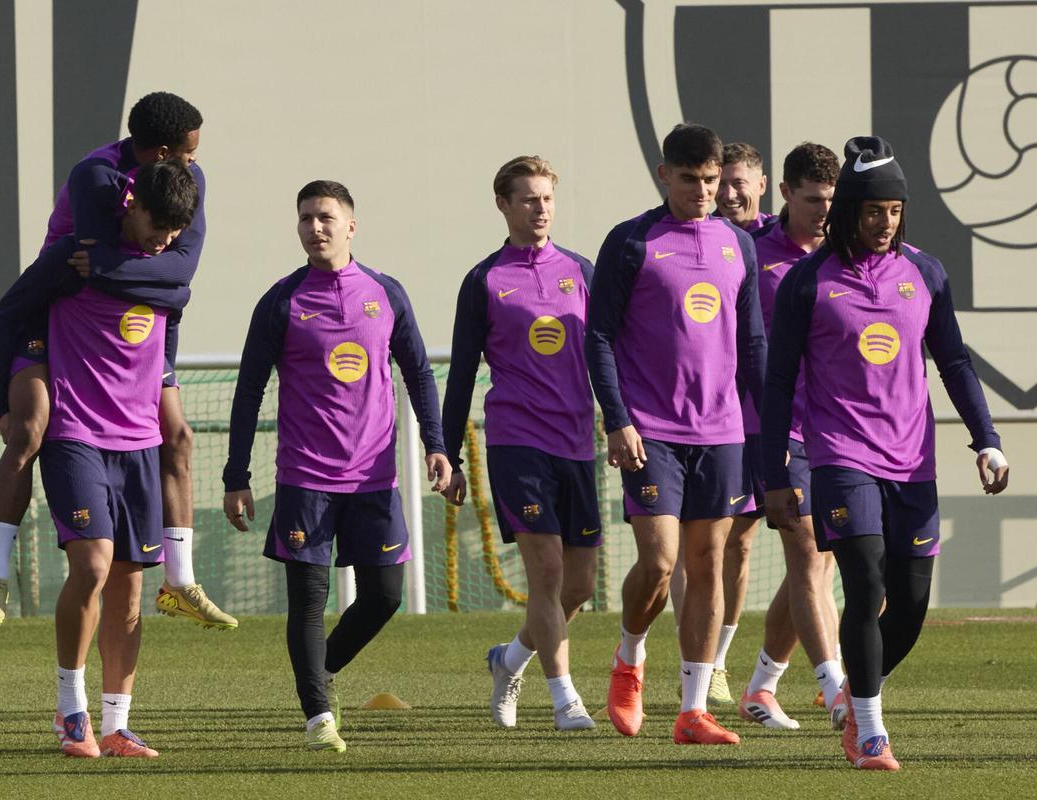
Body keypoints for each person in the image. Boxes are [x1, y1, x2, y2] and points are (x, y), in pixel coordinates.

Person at [762, 136, 1009, 770]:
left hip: (912, 460)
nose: (885, 223)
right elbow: (779, 380)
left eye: (895, 211)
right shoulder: (807, 282)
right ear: (848, 210)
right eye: (874, 211)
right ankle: (868, 729)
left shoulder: (924, 273)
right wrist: (772, 474)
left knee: (912, 599)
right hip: (841, 456)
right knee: (866, 580)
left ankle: (857, 691)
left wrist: (987, 439)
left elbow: (953, 360)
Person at [0, 91, 236, 631]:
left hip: (137, 324)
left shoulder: (187, 184)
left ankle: (181, 579)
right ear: (159, 153)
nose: (195, 163)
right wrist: (0, 400)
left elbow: (174, 274)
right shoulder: (96, 176)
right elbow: (91, 263)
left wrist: (166, 293)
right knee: (28, 432)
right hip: (58, 318)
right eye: (186, 153)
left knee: (178, 434)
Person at [223, 181, 451, 753]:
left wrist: (437, 443)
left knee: (385, 596)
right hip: (305, 478)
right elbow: (249, 390)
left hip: (375, 477)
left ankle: (317, 676)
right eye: (305, 219)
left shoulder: (385, 292)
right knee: (308, 600)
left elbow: (420, 373)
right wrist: (237, 475)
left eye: (326, 217)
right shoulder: (281, 300)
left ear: (351, 226)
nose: (315, 227)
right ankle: (319, 715)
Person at [586, 124, 766, 744]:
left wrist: (768, 426)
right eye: (690, 180)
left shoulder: (737, 246)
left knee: (708, 562)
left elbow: (753, 343)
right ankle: (629, 658)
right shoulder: (632, 242)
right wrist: (617, 418)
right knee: (660, 563)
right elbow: (599, 336)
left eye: (712, 181)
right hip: (650, 431)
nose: (703, 191)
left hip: (723, 431)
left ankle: (693, 710)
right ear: (664, 175)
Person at [37, 160, 199, 757]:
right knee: (93, 566)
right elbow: (17, 309)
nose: (162, 241)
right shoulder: (75, 261)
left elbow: (167, 345)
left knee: (131, 592)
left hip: (141, 445)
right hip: (76, 433)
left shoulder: (168, 280)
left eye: (173, 234)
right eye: (155, 226)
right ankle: (70, 710)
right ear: (129, 205)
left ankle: (116, 723)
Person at [440, 156, 599, 732]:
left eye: (547, 199)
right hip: (516, 443)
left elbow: (606, 355)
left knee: (579, 585)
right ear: (503, 205)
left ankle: (509, 660)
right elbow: (460, 375)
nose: (540, 209)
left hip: (578, 444)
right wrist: (446, 452)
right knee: (549, 575)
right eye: (528, 199)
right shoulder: (483, 280)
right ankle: (565, 700)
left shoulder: (581, 270)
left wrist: (625, 422)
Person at [735, 142, 846, 730]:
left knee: (825, 563)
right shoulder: (752, 254)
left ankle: (762, 686)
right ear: (784, 194)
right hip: (774, 427)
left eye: (831, 201)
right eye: (812, 201)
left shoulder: (845, 254)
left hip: (839, 431)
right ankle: (836, 690)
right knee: (805, 552)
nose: (823, 212)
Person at [671, 140, 776, 705]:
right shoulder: (691, 239)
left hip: (759, 419)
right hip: (699, 418)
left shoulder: (776, 245)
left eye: (740, 182)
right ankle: (699, 664)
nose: (728, 192)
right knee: (694, 546)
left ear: (762, 186)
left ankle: (724, 661)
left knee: (741, 547)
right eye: (721, 180)